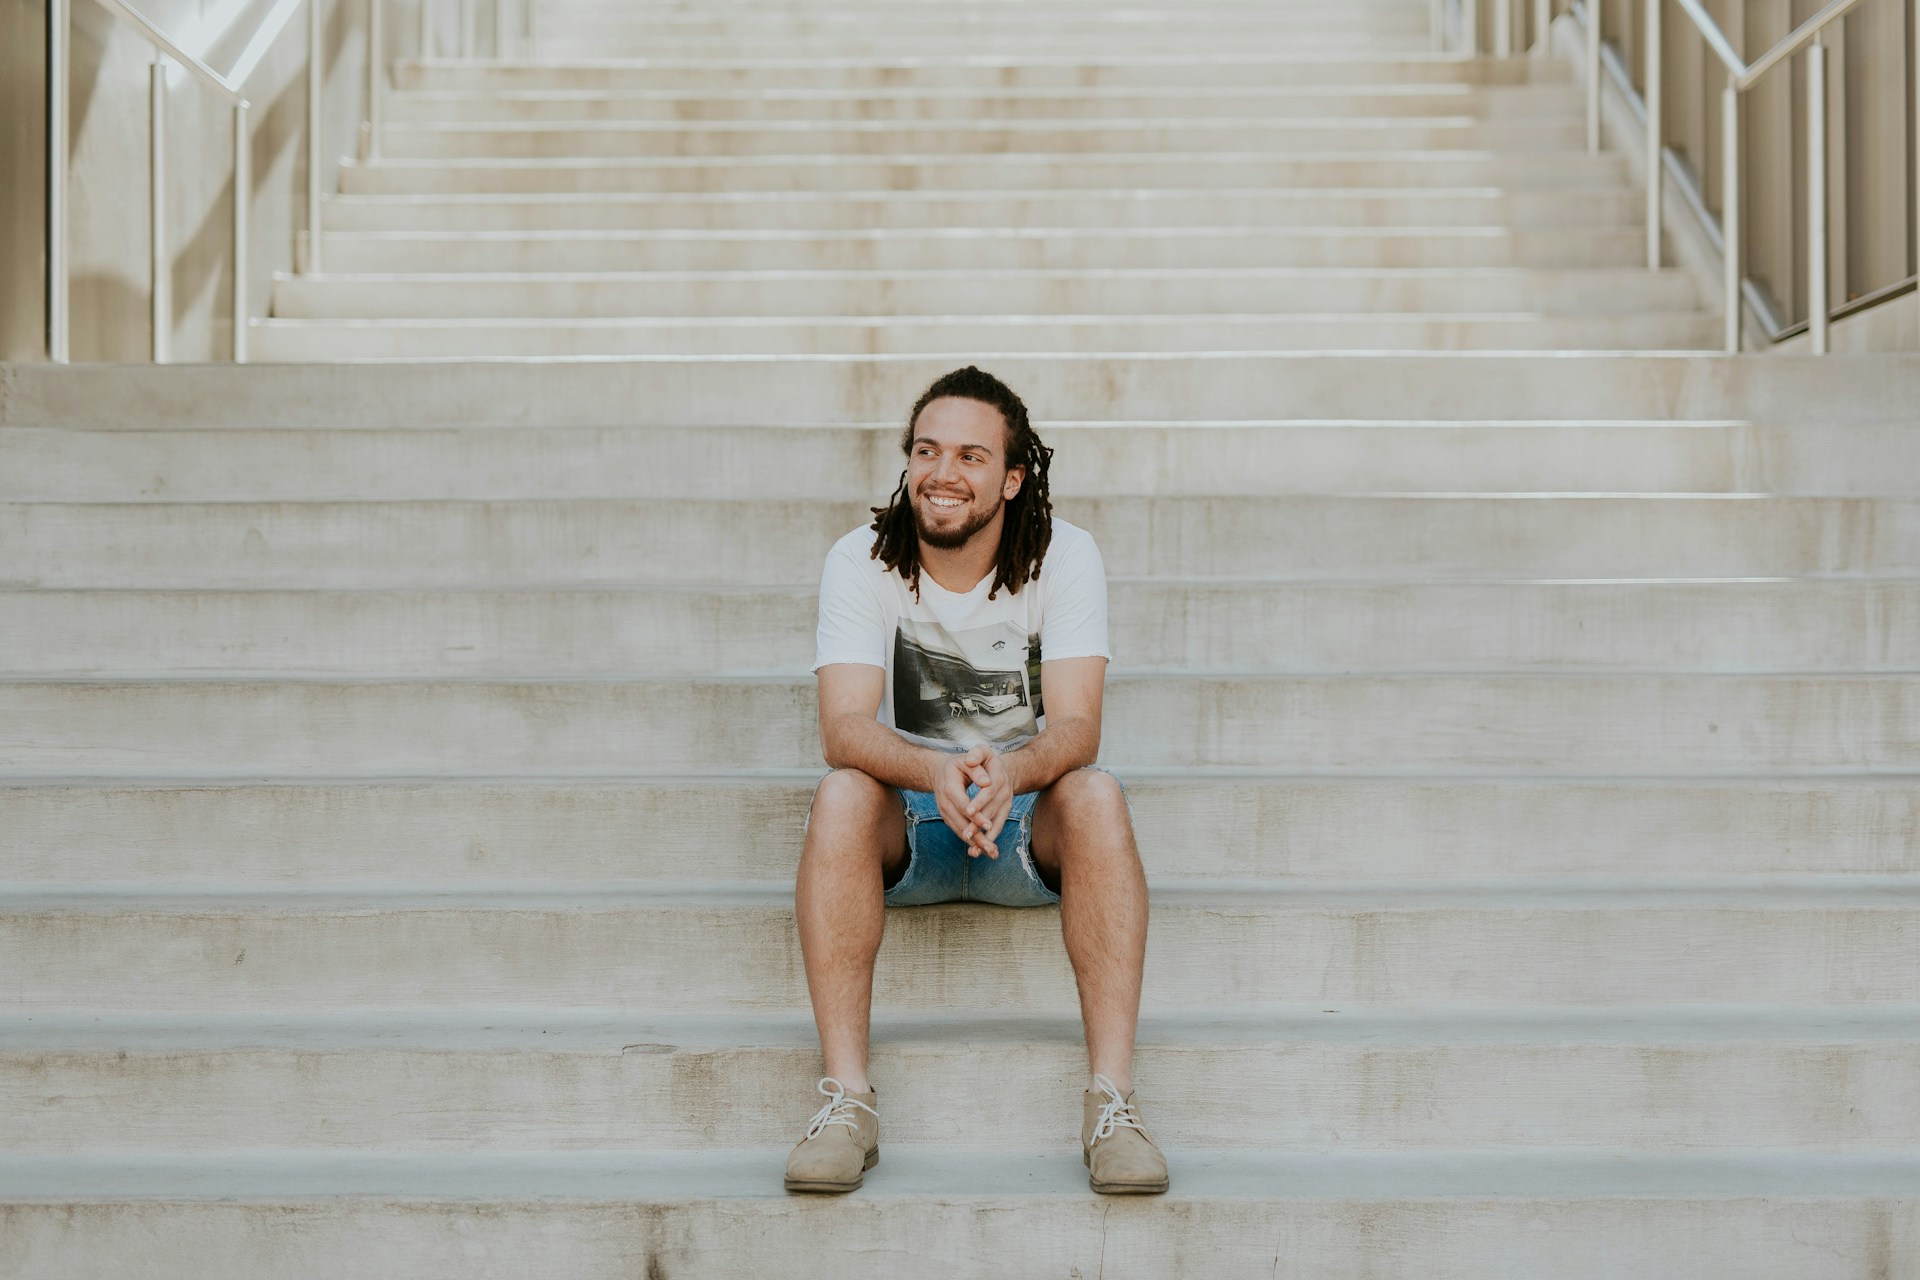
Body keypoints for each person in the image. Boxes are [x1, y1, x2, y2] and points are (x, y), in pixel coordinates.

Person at [786, 365, 1167, 1196]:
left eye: (971, 455)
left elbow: (1078, 727)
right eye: (927, 450)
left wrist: (1010, 774)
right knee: (843, 790)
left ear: (1013, 477)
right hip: (911, 823)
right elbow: (842, 729)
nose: (943, 472)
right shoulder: (861, 558)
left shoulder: (1064, 555)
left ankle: (1112, 1105)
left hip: (1023, 817)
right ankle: (848, 1103)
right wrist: (934, 771)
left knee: (1096, 792)